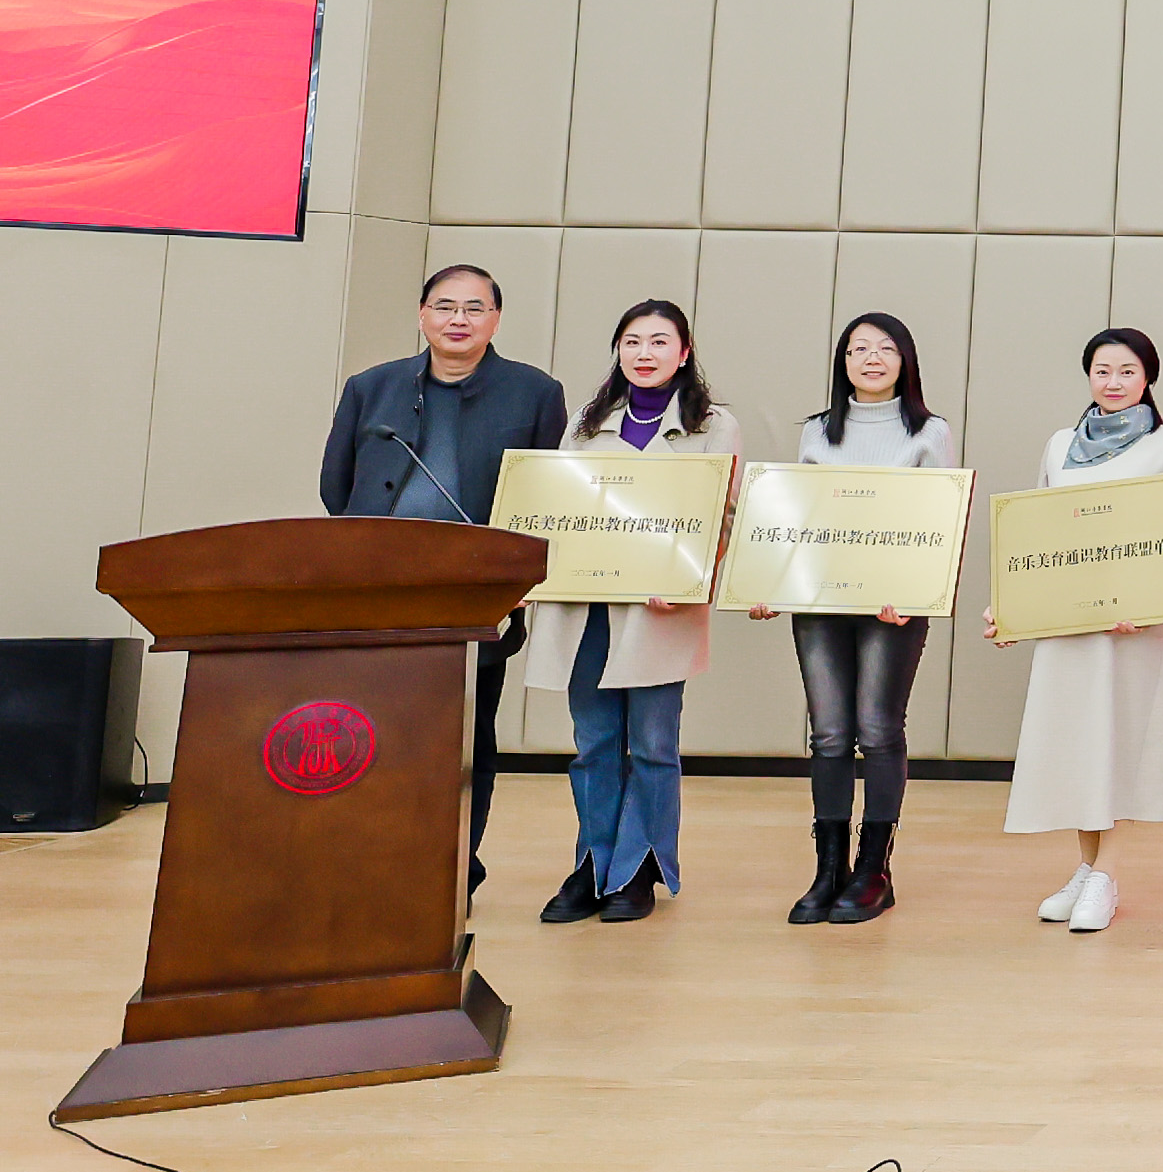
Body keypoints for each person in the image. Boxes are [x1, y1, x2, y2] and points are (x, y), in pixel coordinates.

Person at [320, 262, 570, 884]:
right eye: (445, 306)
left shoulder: (534, 392)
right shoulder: (370, 387)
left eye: (474, 308)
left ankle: (455, 866)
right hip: (380, 589)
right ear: (422, 314)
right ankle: (377, 856)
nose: (459, 319)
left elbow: (548, 495)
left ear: (496, 320)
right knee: (377, 726)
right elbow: (336, 485)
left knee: (465, 734)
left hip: (475, 594)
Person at [531, 301, 738, 926]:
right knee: (593, 742)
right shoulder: (586, 421)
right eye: (631, 341)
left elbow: (722, 515)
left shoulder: (713, 425)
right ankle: (593, 863)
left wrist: (688, 576)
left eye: (659, 341)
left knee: (651, 743)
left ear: (685, 351)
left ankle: (638, 866)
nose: (644, 354)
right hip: (587, 604)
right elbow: (558, 503)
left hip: (659, 608)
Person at [747, 311, 955, 928]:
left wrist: (913, 592)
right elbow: (803, 520)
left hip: (893, 606)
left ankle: (873, 870)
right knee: (830, 734)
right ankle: (828, 869)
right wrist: (772, 583)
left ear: (905, 361)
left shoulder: (929, 431)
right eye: (859, 349)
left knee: (879, 730)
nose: (871, 358)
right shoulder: (818, 431)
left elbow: (938, 520)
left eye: (885, 348)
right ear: (843, 363)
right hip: (822, 603)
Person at [991, 328, 1163, 935]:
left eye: (1127, 371)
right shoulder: (1059, 445)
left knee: (1120, 742)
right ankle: (1087, 867)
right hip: (1069, 625)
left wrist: (1148, 604)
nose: (1114, 382)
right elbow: (1036, 533)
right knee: (1079, 744)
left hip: (1131, 630)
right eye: (1102, 370)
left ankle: (1107, 874)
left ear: (1148, 377)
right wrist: (1013, 607)